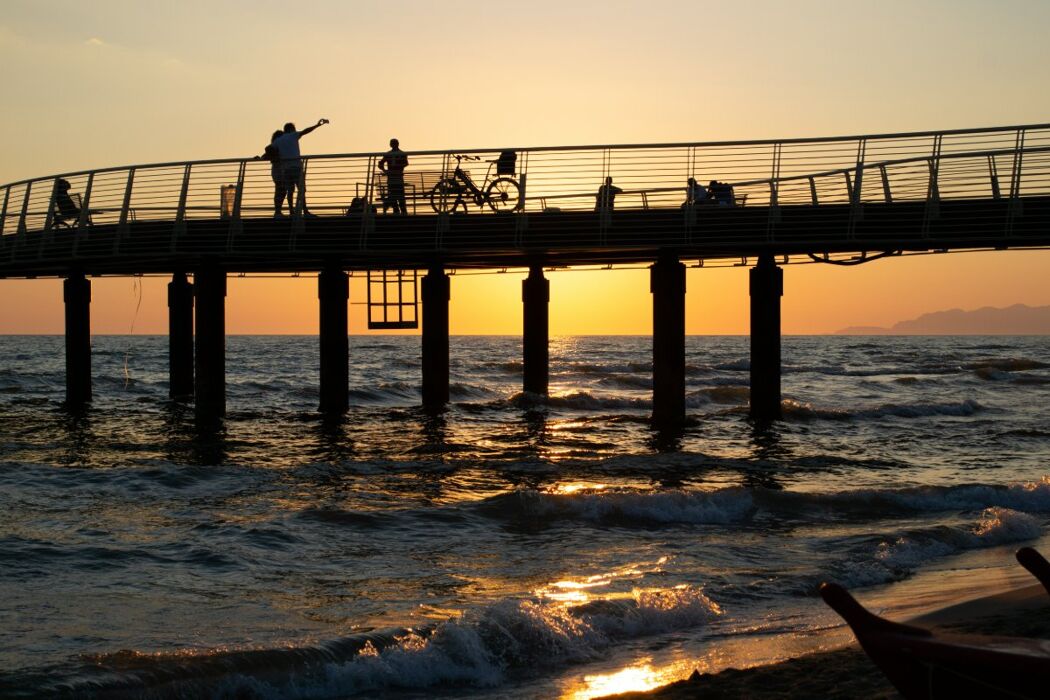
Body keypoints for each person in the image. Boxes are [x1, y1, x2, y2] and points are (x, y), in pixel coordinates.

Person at [273, 118, 329, 215]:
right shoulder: (293, 135)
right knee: (301, 190)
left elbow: (269, 148)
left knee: (290, 191)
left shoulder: (278, 140)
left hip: (286, 170)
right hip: (296, 167)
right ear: (291, 129)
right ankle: (305, 210)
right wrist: (317, 125)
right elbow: (305, 131)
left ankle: (291, 210)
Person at [257, 130, 289, 217]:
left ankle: (278, 211)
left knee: (283, 191)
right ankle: (277, 211)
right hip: (278, 171)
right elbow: (266, 154)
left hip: (281, 171)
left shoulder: (280, 147)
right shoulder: (274, 148)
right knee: (280, 190)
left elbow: (265, 155)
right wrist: (260, 158)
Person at [379, 138, 409, 214]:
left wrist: (386, 171)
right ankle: (401, 211)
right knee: (398, 196)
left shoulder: (391, 154)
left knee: (395, 196)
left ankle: (398, 211)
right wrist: (386, 171)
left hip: (394, 178)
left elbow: (380, 164)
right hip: (395, 178)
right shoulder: (401, 154)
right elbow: (380, 164)